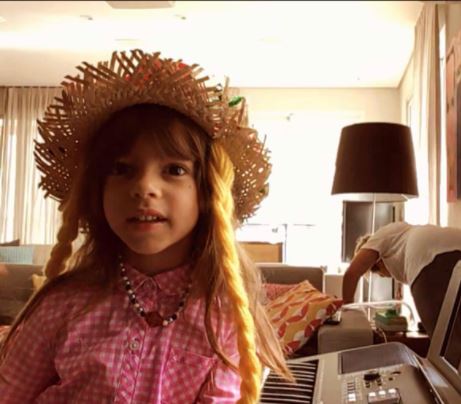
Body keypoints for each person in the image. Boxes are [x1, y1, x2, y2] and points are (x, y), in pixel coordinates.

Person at [0, 50, 292, 403]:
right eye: (122, 169)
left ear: (207, 192)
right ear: (98, 191)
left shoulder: (223, 316)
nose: (144, 187)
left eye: (174, 170)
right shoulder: (62, 305)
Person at [342, 221, 461, 337]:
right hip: (456, 240)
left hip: (425, 254)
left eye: (377, 272)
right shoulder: (401, 234)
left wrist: (347, 310)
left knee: (444, 340)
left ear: (376, 262)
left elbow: (351, 274)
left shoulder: (378, 238)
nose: (382, 276)